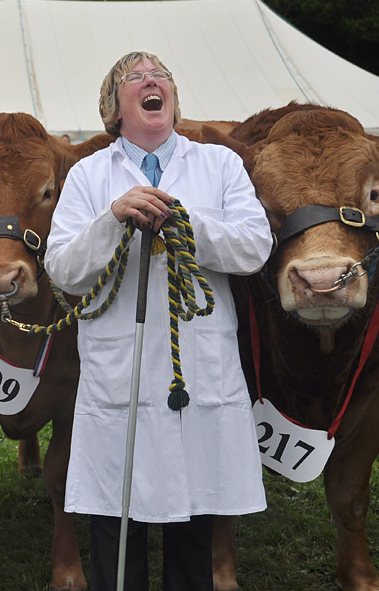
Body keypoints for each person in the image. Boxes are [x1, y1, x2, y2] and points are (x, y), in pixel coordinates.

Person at [43, 51, 271, 591]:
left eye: (160, 75)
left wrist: (187, 225)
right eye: (136, 77)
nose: (152, 81)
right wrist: (113, 219)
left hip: (196, 370)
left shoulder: (219, 165)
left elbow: (256, 247)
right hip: (118, 375)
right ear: (113, 107)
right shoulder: (88, 175)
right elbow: (63, 269)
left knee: (194, 522)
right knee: (115, 532)